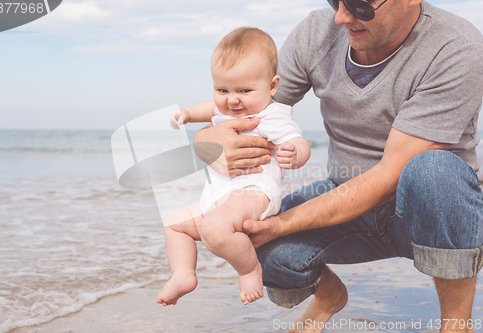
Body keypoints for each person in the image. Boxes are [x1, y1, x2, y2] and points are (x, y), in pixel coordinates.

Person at [194, 0, 483, 332]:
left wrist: (282, 224)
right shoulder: (318, 31)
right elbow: (249, 107)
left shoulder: (456, 47)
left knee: (434, 171)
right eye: (335, 1)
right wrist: (207, 142)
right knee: (250, 236)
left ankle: (456, 323)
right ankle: (329, 295)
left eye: (360, 5)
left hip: (428, 208)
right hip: (345, 195)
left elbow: (390, 175)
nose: (341, 17)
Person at [156, 27, 311, 307]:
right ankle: (182, 274)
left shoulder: (271, 115)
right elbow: (210, 109)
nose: (232, 99)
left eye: (244, 90)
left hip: (252, 192)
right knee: (174, 224)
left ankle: (250, 269)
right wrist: (188, 114)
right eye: (222, 89)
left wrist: (295, 154)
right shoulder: (226, 110)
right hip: (218, 198)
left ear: (272, 86)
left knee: (215, 229)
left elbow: (298, 141)